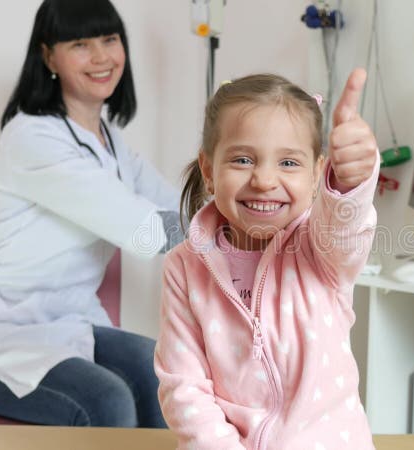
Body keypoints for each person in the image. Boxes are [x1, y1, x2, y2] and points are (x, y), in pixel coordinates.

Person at [0, 0, 178, 428]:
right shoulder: (32, 138)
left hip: (69, 323)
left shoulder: (112, 142)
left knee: (164, 378)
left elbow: (179, 211)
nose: (101, 57)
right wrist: (231, 228)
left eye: (110, 39)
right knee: (107, 400)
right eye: (80, 44)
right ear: (49, 56)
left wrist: (248, 215)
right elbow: (147, 233)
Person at [154, 69, 379, 449]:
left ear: (315, 175)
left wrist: (349, 182)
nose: (263, 179)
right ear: (209, 170)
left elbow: (346, 227)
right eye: (242, 160)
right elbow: (184, 386)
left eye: (289, 163)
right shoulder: (184, 268)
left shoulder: (322, 251)